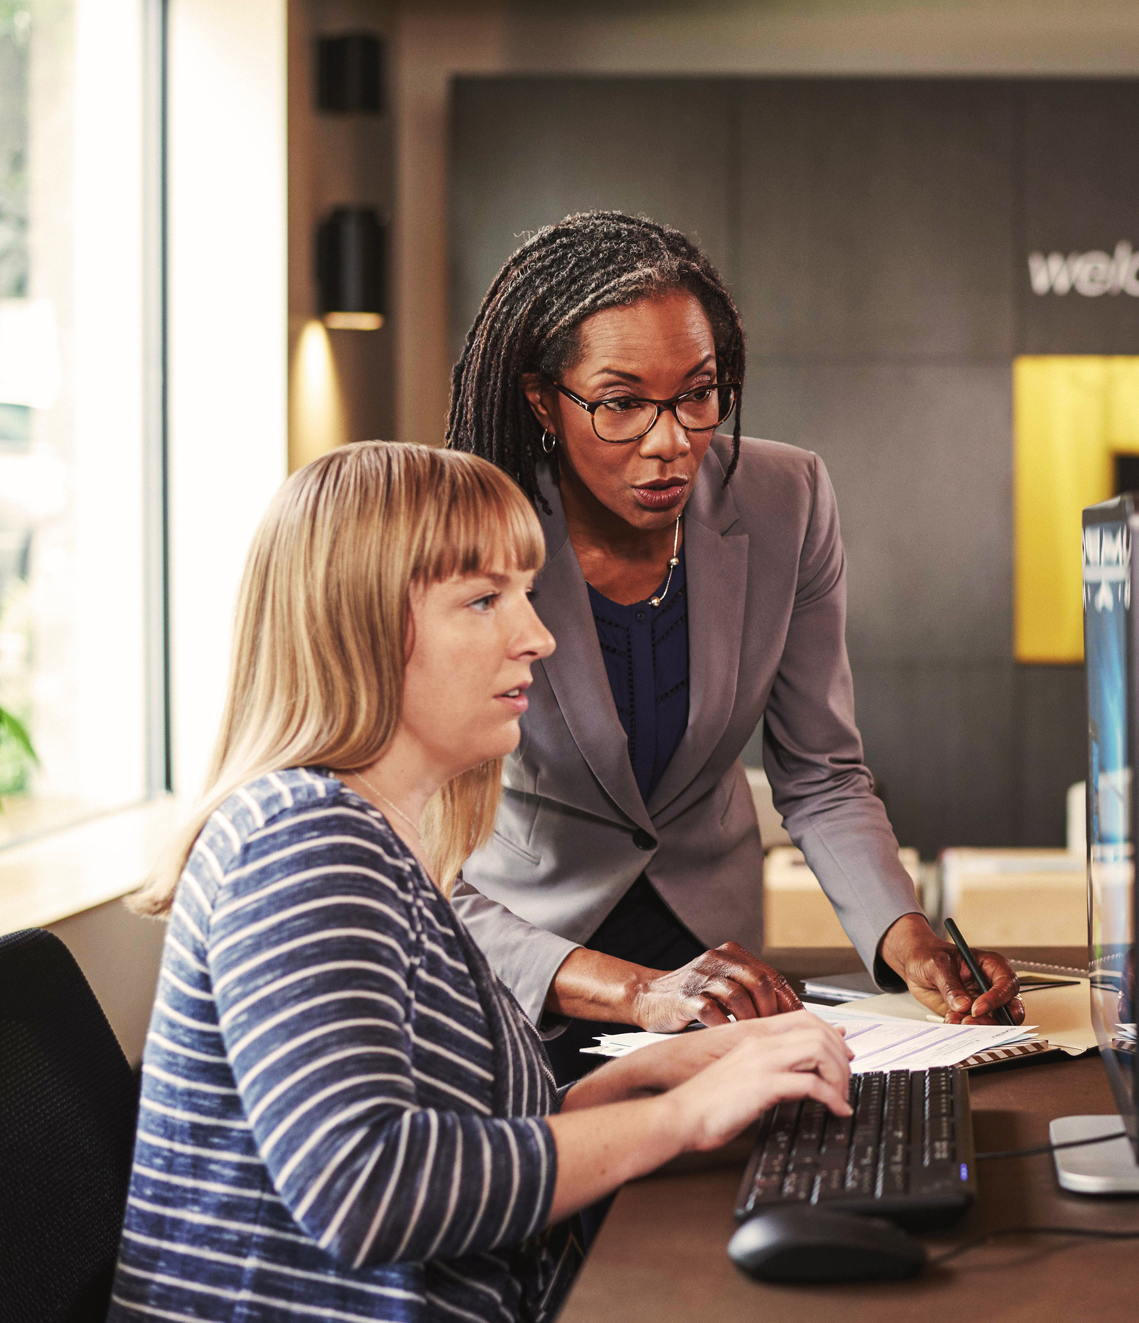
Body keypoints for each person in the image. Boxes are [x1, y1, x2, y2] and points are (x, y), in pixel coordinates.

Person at [114, 444, 854, 1322]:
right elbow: (368, 1187)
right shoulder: (303, 844)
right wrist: (683, 1115)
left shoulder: (375, 840)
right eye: (483, 599)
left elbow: (458, 1123)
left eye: (526, 594)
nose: (537, 636)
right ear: (360, 624)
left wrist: (644, 1078)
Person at [445, 210, 1019, 1082]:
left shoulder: (787, 499)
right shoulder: (469, 531)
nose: (670, 440)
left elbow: (822, 775)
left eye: (698, 394)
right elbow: (421, 856)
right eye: (622, 403)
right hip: (528, 960)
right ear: (542, 400)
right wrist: (636, 990)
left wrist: (909, 942)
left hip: (715, 961)